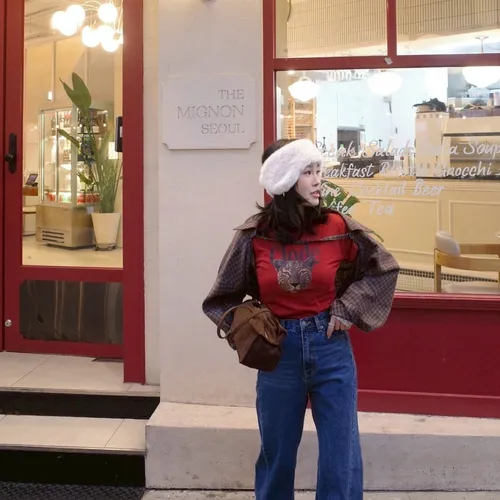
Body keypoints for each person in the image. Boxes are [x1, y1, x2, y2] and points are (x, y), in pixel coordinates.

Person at [202, 138, 399, 500]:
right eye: (308, 172)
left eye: (318, 171)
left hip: (331, 349)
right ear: (285, 180)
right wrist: (249, 330)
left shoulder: (337, 226)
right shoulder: (254, 235)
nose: (318, 180)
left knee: (341, 456)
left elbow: (383, 267)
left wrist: (348, 308)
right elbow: (220, 299)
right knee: (276, 456)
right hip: (279, 355)